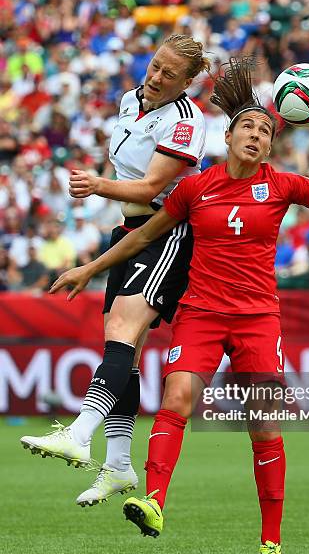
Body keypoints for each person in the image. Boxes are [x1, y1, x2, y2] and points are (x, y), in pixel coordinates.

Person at [35, 59, 309, 554]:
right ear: (229, 135)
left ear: (270, 146)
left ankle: (270, 543)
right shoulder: (197, 188)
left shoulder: (281, 185)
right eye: (247, 127)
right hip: (201, 314)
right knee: (177, 398)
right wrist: (91, 268)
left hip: (258, 319)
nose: (256, 135)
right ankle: (154, 501)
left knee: (263, 426)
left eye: (264, 131)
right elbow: (144, 236)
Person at [20, 34, 210, 507]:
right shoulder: (130, 100)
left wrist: (98, 185)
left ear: (188, 82)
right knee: (121, 343)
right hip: (129, 233)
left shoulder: (187, 121)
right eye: (155, 65)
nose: (157, 76)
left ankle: (82, 433)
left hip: (169, 233)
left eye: (170, 73)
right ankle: (120, 464)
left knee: (124, 329)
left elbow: (151, 186)